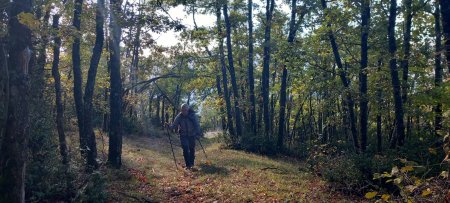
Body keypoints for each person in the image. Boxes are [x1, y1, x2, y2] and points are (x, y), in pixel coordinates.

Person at [167, 103, 201, 170]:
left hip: (192, 134)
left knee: (192, 149)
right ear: (181, 110)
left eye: (185, 110)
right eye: (182, 110)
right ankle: (188, 165)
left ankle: (192, 164)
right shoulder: (179, 116)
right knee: (185, 148)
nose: (184, 112)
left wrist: (198, 134)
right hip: (183, 135)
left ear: (188, 110)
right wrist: (169, 126)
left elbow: (197, 125)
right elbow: (174, 125)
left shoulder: (192, 115)